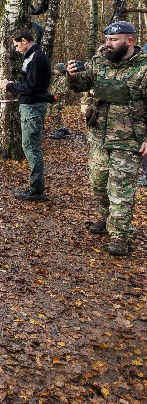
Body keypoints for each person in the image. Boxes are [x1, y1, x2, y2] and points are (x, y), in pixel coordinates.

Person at [66, 20, 147, 256]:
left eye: (113, 40)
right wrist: (73, 76)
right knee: (99, 184)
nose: (108, 44)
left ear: (129, 41)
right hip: (99, 135)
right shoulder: (99, 61)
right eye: (106, 40)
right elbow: (82, 84)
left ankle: (120, 235)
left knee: (121, 189)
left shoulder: (143, 68)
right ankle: (106, 219)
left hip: (129, 138)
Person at [0, 27, 51, 202]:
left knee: (32, 148)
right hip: (30, 106)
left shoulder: (37, 57)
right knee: (30, 147)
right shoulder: (31, 57)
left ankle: (36, 190)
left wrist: (9, 86)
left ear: (25, 41)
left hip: (33, 108)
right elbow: (29, 83)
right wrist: (14, 83)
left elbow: (32, 88)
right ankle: (36, 187)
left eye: (17, 45)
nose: (16, 48)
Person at [48, 63, 70, 139]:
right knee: (54, 114)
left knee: (55, 114)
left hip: (58, 100)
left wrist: (54, 96)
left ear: (60, 70)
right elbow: (51, 72)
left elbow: (62, 91)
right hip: (54, 100)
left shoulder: (63, 79)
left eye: (56, 69)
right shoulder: (58, 77)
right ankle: (63, 129)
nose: (54, 71)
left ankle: (60, 131)